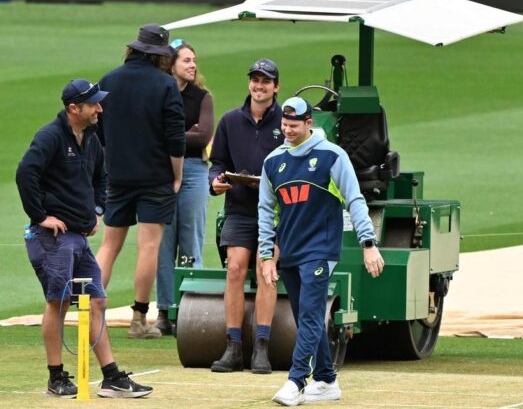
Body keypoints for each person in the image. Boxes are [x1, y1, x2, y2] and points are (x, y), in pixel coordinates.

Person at [15, 79, 153, 398]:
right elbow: (25, 174)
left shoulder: (90, 137)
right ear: (74, 108)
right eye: (93, 104)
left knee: (97, 301)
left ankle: (111, 377)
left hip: (79, 237)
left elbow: (101, 178)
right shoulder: (50, 136)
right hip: (53, 238)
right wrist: (40, 216)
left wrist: (97, 211)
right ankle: (56, 377)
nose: (100, 109)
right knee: (59, 302)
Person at [258, 97, 385, 406]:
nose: (287, 130)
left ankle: (296, 381)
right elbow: (266, 211)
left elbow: (355, 199)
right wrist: (266, 256)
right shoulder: (273, 162)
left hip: (320, 249)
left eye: (294, 125)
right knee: (306, 318)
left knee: (311, 314)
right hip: (290, 251)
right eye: (284, 125)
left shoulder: (332, 156)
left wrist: (368, 244)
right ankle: (326, 379)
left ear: (309, 123)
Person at [95, 23, 186, 339]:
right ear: (160, 55)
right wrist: (177, 175)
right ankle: (138, 319)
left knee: (109, 245)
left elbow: (97, 131)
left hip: (118, 175)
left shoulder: (109, 80)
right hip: (155, 177)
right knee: (148, 246)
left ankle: (91, 313)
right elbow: (175, 138)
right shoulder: (165, 84)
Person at [208, 58, 284, 374]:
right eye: (255, 80)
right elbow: (217, 162)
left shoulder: (286, 121)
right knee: (235, 269)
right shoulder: (229, 121)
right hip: (239, 209)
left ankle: (262, 348)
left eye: (265, 81)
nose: (258, 86)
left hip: (274, 214)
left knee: (266, 270)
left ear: (276, 87)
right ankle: (234, 347)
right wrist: (215, 181)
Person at [155, 39, 214, 334]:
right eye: (186, 60)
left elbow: (203, 136)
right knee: (163, 243)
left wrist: (167, 133)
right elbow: (149, 130)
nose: (192, 65)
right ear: (171, 65)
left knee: (191, 241)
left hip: (193, 170)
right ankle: (165, 310)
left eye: (194, 60)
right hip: (160, 171)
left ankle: (189, 310)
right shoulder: (158, 93)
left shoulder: (202, 97)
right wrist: (183, 132)